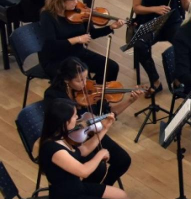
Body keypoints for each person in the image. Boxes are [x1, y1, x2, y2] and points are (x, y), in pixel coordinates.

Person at [39, 98, 137, 199]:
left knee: (121, 196)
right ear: (64, 122)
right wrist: (100, 154)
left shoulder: (60, 138)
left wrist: (104, 129)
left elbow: (82, 151)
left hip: (75, 189)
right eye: (74, 116)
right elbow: (83, 171)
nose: (77, 119)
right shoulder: (53, 149)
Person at [44, 57, 143, 188]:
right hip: (70, 140)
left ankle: (102, 188)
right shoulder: (53, 95)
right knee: (98, 169)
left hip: (91, 132)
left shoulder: (90, 92)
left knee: (123, 160)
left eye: (86, 78)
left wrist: (130, 101)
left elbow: (109, 113)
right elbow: (56, 125)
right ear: (67, 80)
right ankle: (86, 192)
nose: (85, 84)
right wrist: (78, 117)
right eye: (80, 80)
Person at [39, 0, 123, 82]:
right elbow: (51, 45)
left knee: (112, 67)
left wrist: (111, 27)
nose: (76, 2)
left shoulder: (78, 11)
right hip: (57, 60)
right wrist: (77, 39)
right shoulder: (47, 16)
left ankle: (97, 95)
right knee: (77, 79)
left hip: (78, 54)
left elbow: (91, 34)